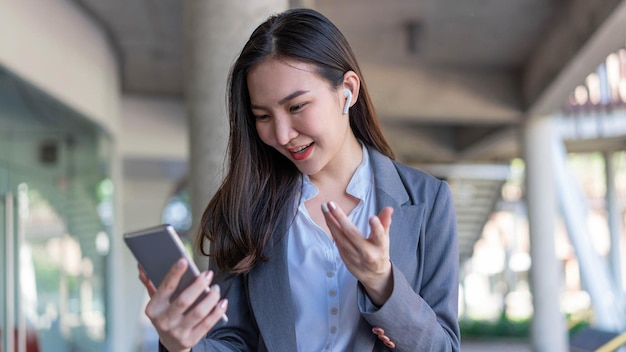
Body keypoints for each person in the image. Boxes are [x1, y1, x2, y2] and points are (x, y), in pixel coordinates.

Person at [138, 8, 460, 352]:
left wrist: (383, 283)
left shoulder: (428, 201)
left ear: (347, 91)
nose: (281, 134)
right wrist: (181, 346)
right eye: (262, 116)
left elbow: (443, 348)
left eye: (296, 107)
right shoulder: (242, 206)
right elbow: (232, 341)